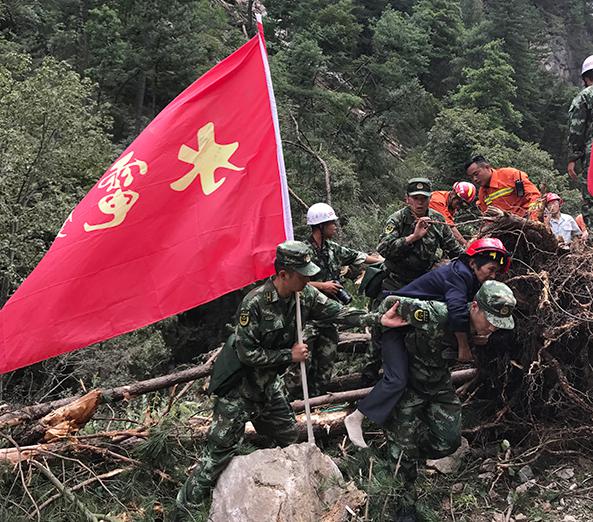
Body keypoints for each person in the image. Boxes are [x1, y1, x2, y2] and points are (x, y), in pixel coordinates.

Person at [174, 240, 404, 519]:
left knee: (289, 440)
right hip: (239, 391)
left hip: (270, 390)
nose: (308, 278)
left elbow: (339, 313)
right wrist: (289, 355)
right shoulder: (255, 303)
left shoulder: (303, 295)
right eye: (302, 273)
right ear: (283, 274)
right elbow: (247, 354)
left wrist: (378, 319)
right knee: (216, 457)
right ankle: (183, 511)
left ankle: (278, 495)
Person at [345, 238, 510, 448]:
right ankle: (357, 416)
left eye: (496, 272)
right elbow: (458, 312)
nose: (493, 275)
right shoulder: (459, 275)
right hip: (395, 324)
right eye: (491, 269)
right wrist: (464, 346)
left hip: (416, 330)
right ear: (473, 263)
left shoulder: (470, 279)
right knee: (397, 378)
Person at [382, 281, 516, 522]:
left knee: (449, 441)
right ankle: (405, 503)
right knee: (403, 449)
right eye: (491, 320)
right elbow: (390, 303)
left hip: (439, 386)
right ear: (474, 307)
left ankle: (407, 453)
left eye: (499, 323)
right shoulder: (438, 314)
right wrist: (384, 337)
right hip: (408, 386)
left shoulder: (484, 332)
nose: (493, 327)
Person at [362, 177, 464, 384]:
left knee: (421, 330)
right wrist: (413, 237)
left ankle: (418, 379)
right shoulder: (397, 220)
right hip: (395, 283)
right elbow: (384, 249)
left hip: (421, 286)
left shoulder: (436, 220)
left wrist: (472, 262)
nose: (420, 203)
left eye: (424, 198)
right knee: (379, 334)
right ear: (407, 199)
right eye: (416, 198)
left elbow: (454, 248)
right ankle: (367, 379)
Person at [302, 203, 383, 394]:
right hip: (308, 317)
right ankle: (294, 405)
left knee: (325, 365)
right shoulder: (303, 251)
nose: (335, 227)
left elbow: (358, 257)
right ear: (320, 226)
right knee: (301, 366)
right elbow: (292, 281)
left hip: (329, 317)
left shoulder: (332, 249)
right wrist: (322, 286)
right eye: (331, 223)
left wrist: (383, 261)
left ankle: (316, 403)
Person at [465, 156, 541, 218]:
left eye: (476, 174)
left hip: (525, 220)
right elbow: (488, 218)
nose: (474, 179)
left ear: (487, 167)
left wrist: (533, 219)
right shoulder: (482, 194)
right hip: (505, 229)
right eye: (471, 177)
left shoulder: (511, 175)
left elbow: (534, 196)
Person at [567, 55, 593, 230]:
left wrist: (573, 158)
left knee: (591, 200)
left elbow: (577, 129)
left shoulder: (584, 97)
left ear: (585, 78)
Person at [428, 181, 477, 246]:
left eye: (463, 206)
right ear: (453, 194)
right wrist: (465, 244)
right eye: (459, 203)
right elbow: (448, 226)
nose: (459, 207)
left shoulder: (450, 205)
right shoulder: (437, 201)